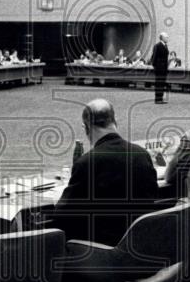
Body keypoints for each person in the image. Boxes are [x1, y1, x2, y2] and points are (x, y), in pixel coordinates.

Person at [51, 99, 159, 246]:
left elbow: (62, 215)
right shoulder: (142, 154)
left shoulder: (87, 162)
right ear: (115, 121)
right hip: (140, 245)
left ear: (86, 128)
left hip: (102, 251)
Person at [151, 32, 170, 104]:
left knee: (162, 83)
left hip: (164, 68)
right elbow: (154, 57)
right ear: (162, 37)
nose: (167, 38)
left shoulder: (165, 45)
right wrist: (156, 67)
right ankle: (157, 99)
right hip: (159, 68)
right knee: (159, 83)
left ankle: (160, 98)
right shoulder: (157, 46)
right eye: (166, 37)